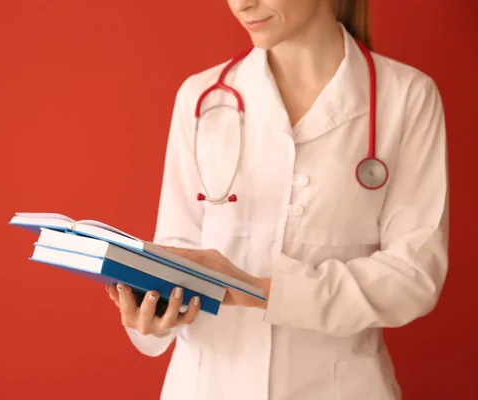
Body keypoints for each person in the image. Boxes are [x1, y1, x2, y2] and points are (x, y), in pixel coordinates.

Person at [106, 0, 449, 398]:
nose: (242, 4)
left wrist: (261, 290)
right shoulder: (201, 98)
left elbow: (413, 278)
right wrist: (157, 308)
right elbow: (179, 247)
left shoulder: (407, 98)